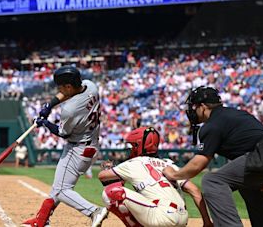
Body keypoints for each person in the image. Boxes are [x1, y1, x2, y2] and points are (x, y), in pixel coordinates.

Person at [162, 86, 263, 227]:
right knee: (248, 185)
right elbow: (260, 138)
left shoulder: (211, 125)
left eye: (194, 106)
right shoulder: (236, 114)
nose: (192, 110)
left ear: (203, 106)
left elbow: (198, 164)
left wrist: (174, 174)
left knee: (212, 181)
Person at [22, 65, 108, 227]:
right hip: (91, 145)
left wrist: (45, 123)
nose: (59, 91)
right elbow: (65, 94)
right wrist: (50, 105)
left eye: (61, 87)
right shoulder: (91, 85)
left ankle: (93, 210)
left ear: (69, 86)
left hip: (77, 149)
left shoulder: (70, 109)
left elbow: (63, 133)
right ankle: (41, 220)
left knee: (62, 190)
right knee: (58, 186)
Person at [98, 127, 213, 227]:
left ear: (139, 146)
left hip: (160, 217)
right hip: (182, 219)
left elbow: (103, 177)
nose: (131, 148)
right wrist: (207, 221)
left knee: (110, 192)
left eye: (133, 145)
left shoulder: (133, 163)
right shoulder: (169, 163)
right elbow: (195, 190)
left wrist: (107, 169)